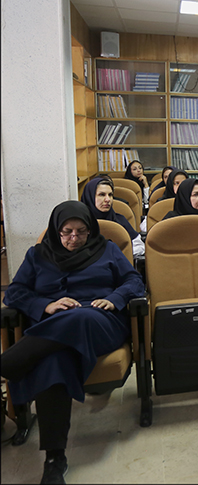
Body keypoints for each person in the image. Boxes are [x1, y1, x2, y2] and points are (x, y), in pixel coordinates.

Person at [1, 201, 145, 484]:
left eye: (81, 232)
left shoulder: (107, 249)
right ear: (56, 230)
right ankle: (55, 459)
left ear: (90, 230)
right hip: (53, 334)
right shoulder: (37, 255)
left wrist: (114, 299)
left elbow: (134, 281)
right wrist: (46, 304)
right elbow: (15, 293)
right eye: (67, 232)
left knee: (80, 315)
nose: (74, 239)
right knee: (53, 363)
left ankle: (9, 363)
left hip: (100, 322)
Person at [80, 177, 145, 257]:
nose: (108, 199)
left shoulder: (120, 220)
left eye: (110, 195)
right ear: (89, 197)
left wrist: (117, 253)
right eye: (101, 195)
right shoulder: (79, 223)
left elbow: (140, 247)